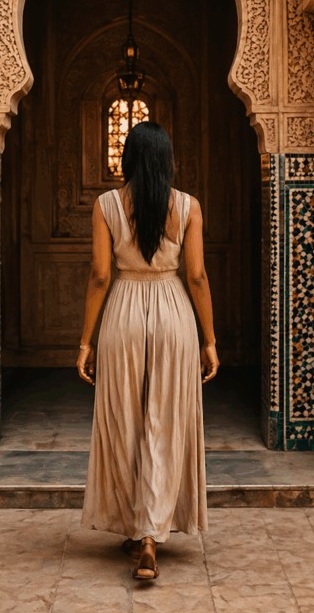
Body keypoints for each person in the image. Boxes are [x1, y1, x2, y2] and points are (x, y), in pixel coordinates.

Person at [77, 121, 219, 581]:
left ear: (129, 158)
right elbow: (196, 276)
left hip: (123, 312)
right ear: (167, 160)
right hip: (174, 313)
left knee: (126, 420)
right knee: (165, 419)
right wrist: (210, 339)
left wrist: (85, 341)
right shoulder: (188, 206)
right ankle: (153, 532)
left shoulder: (106, 205)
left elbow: (100, 275)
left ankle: (140, 531)